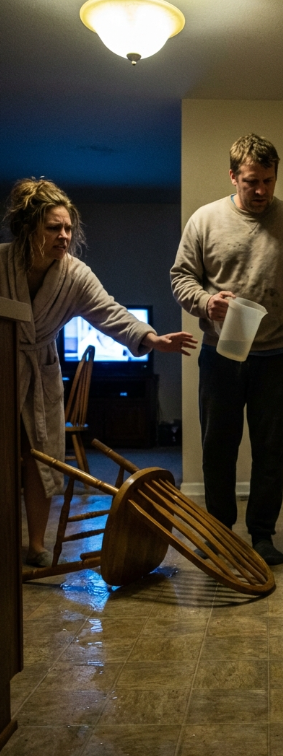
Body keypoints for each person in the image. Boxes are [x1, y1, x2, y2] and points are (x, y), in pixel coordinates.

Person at [0, 178, 198, 568]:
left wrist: (152, 339)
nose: (64, 236)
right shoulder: (1, 263)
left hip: (41, 373)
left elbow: (110, 311)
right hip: (4, 369)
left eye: (68, 228)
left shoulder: (74, 275)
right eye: (53, 227)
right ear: (27, 229)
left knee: (41, 460)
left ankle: (36, 545)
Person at [171, 133, 283, 566]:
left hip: (276, 355)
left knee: (270, 450)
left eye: (268, 180)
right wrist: (206, 301)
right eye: (251, 182)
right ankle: (219, 532)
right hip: (221, 355)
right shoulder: (205, 220)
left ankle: (262, 534)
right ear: (233, 177)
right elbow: (181, 278)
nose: (261, 190)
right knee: (217, 448)